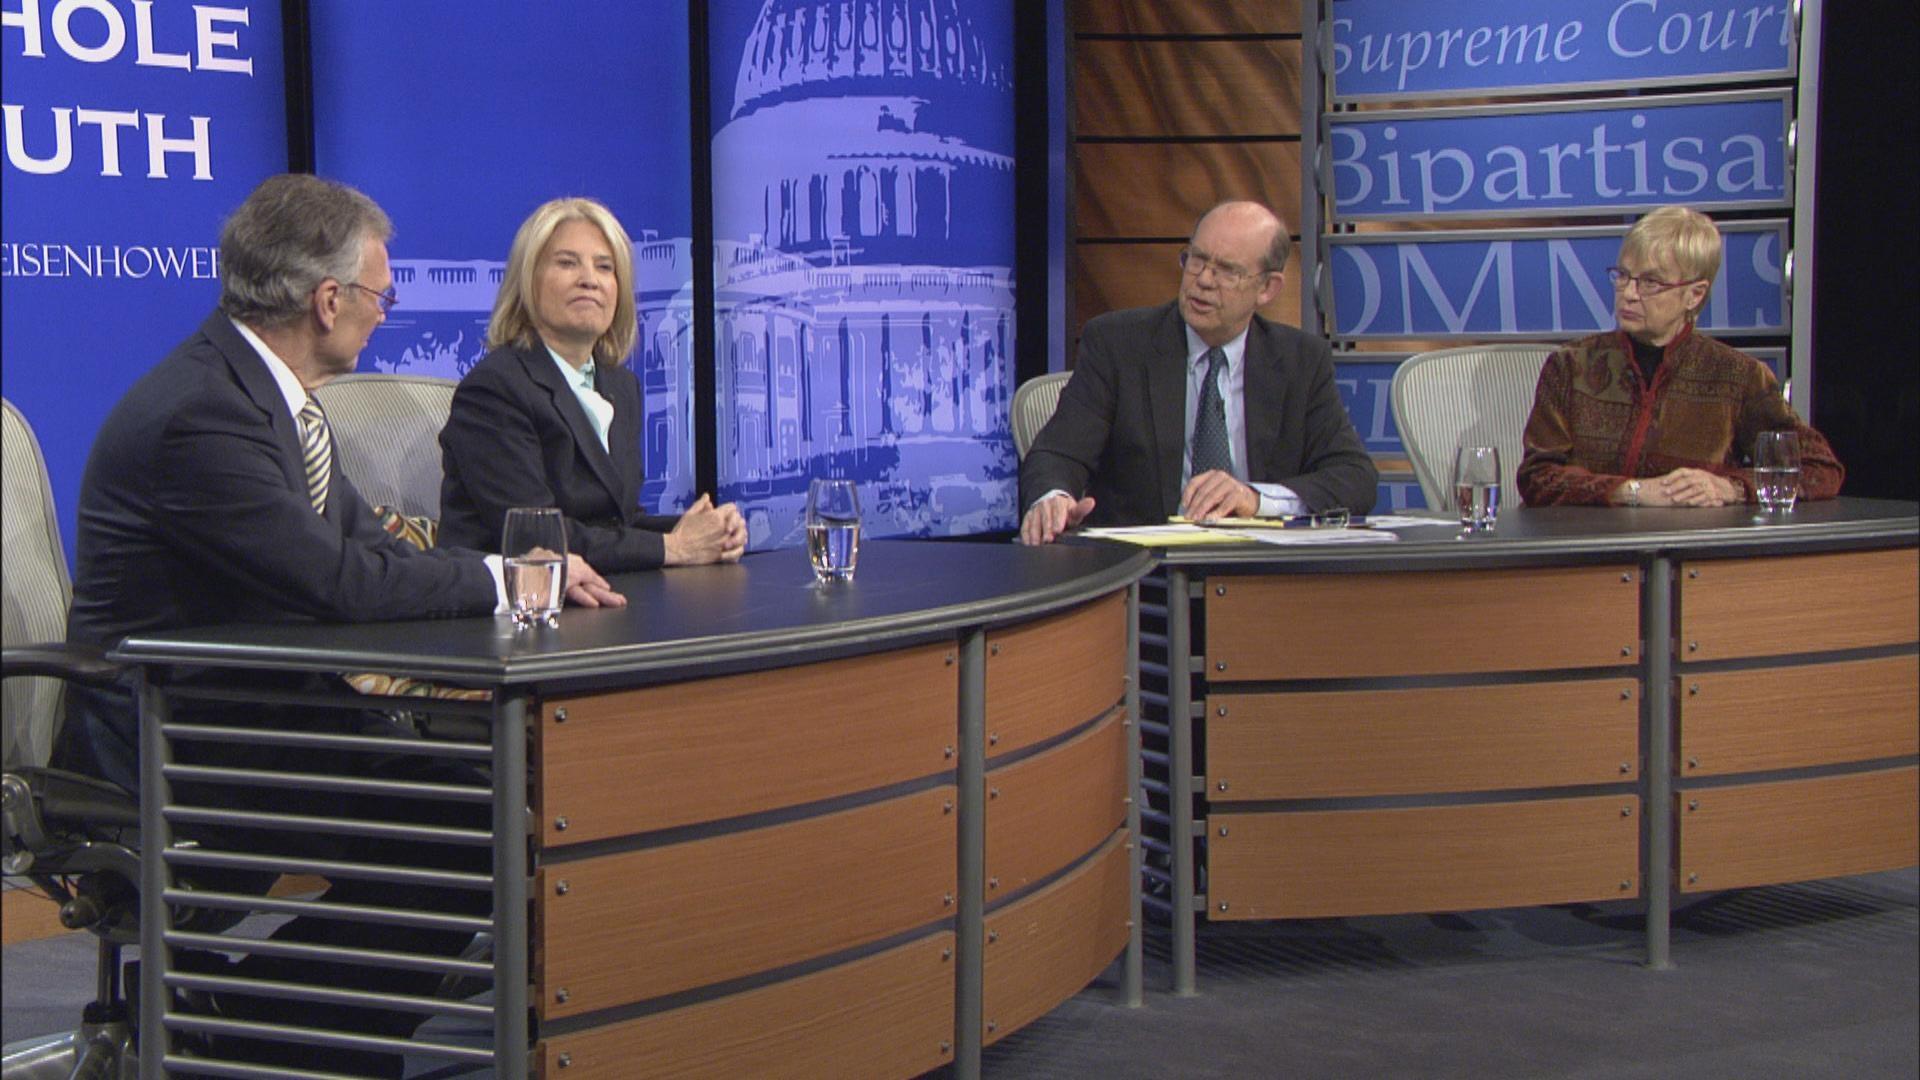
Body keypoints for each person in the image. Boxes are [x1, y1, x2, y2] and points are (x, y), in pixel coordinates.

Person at [53, 173, 625, 1077]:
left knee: (473, 807)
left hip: (260, 709)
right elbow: (336, 579)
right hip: (172, 733)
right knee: (462, 826)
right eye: (379, 297)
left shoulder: (266, 395)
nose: (381, 316)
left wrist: (490, 579)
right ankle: (244, 1035)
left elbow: (372, 549)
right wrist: (507, 577)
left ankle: (246, 1024)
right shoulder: (204, 413)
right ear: (329, 301)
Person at [1019, 200, 1378, 545]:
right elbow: (1057, 454)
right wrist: (1053, 498)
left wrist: (1255, 499)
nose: (1203, 280)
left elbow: (1355, 477)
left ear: (1267, 288)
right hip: (1145, 570)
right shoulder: (1118, 345)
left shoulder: (1300, 360)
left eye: (1228, 271)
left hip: (1257, 572)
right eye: (1196, 259)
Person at [437, 197, 747, 567]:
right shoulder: (494, 389)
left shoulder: (621, 386)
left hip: (605, 587)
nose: (589, 280)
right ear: (527, 281)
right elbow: (534, 534)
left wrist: (704, 532)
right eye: (567, 263)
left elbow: (618, 522)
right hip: (519, 596)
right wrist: (674, 547)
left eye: (605, 267)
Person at [1517, 206, 1843, 507]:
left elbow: (1820, 469)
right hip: (1590, 545)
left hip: (1692, 547)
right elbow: (1537, 477)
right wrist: (1632, 491)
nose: (1629, 293)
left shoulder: (1737, 376)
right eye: (1623, 276)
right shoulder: (1571, 366)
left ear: (1694, 294)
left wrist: (1730, 488)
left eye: (1650, 282)